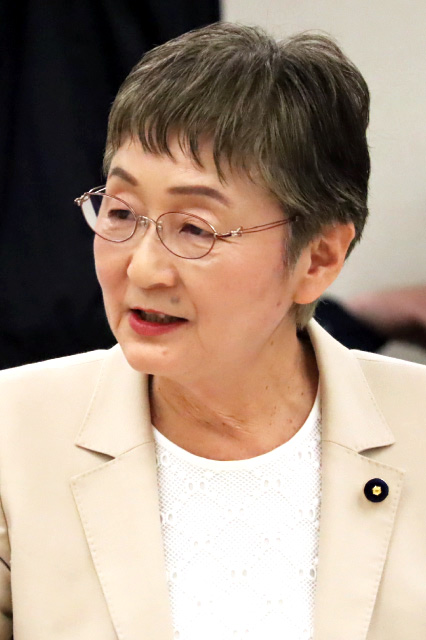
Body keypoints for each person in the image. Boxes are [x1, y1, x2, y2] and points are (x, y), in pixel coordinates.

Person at [0, 23, 425, 640]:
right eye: (120, 211)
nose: (141, 268)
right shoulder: (14, 435)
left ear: (319, 258)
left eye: (195, 228)